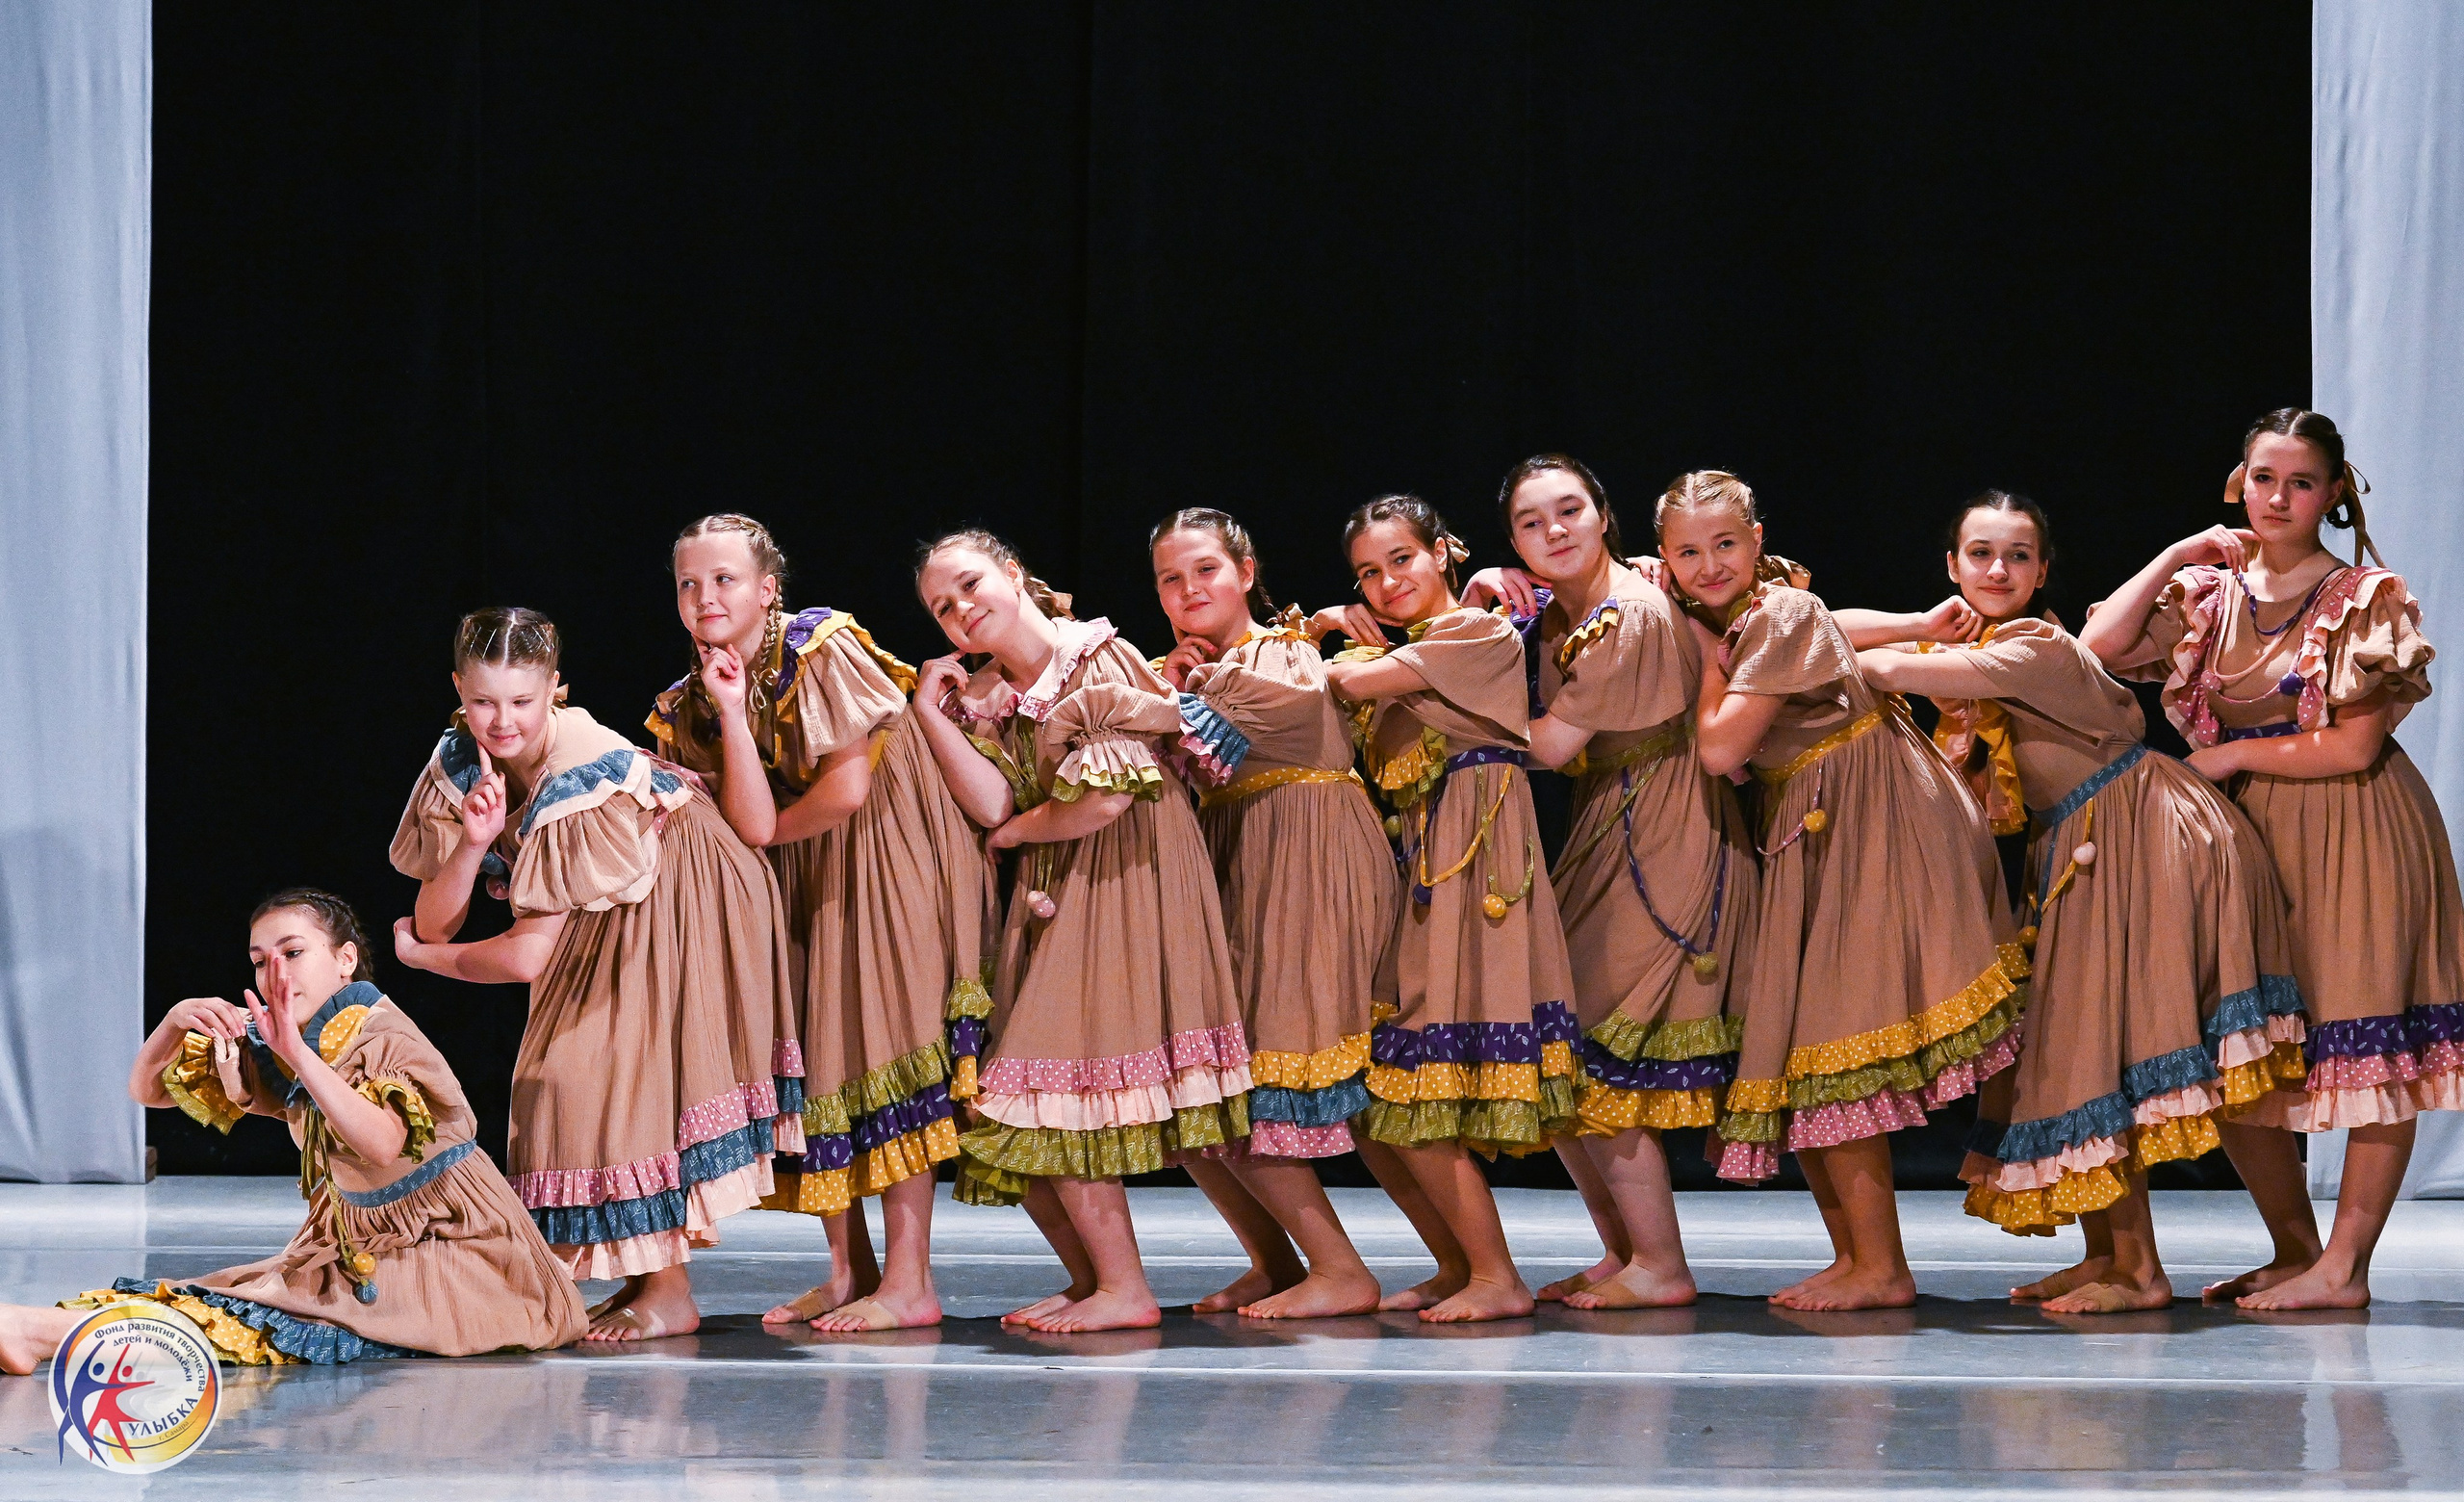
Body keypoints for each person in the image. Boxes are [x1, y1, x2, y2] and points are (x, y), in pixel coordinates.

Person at [1859, 490, 2302, 1312]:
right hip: (2086, 840)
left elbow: (1877, 666)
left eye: (2018, 556)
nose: (1999, 569)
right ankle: (2109, 1256)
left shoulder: (2034, 648)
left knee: (2110, 1041)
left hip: (2141, 836)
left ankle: (2141, 1270)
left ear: (2042, 573)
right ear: (1951, 567)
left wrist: (1764, 636)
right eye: (1981, 554)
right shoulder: (1990, 652)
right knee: (2082, 1042)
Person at [2081, 408, 2461, 1310]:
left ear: (2332, 494)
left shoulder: (2367, 599)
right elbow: (2095, 654)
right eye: (2262, 478)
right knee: (2247, 1049)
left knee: (2363, 1040)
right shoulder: (2211, 594)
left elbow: (2355, 747)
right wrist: (2178, 556)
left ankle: (2346, 1266)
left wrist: (2237, 754)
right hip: (2239, 838)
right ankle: (2295, 1248)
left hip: (2352, 831)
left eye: (2299, 482)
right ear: (2236, 483)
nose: (2278, 497)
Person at [1670, 470, 2027, 1310]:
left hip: (1874, 817)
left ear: (1757, 541)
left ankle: (1881, 1266)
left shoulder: (1771, 613)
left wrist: (1698, 661)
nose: (1710, 563)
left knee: (1844, 1033)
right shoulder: (1765, 611)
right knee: (1812, 1048)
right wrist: (1914, 622)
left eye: (1726, 543)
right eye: (1689, 551)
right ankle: (1857, 1257)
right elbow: (1833, 624)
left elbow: (1721, 750)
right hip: (1819, 819)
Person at [390, 608, 798, 1341]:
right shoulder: (458, 757)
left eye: (522, 701)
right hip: (614, 897)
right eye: (483, 701)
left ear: (557, 690)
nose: (502, 722)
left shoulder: (580, 772)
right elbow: (436, 915)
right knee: (581, 1075)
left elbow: (517, 956)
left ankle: (668, 1292)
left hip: (686, 880)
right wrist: (471, 846)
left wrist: (423, 963)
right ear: (458, 689)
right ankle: (653, 1283)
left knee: (598, 1073)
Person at [0, 891, 586, 1374]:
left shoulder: (382, 1037)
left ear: (346, 961)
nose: (273, 970)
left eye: (293, 951)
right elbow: (148, 1092)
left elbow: (382, 1143)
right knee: (238, 1294)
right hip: (358, 1244)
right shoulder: (301, 1039)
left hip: (454, 1252)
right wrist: (175, 1019)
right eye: (259, 959)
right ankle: (46, 1331)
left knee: (274, 1321)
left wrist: (297, 1056)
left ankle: (42, 1333)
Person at [652, 514, 993, 1333]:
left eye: (725, 579)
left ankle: (911, 1281)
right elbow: (739, 811)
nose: (705, 598)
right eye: (689, 584)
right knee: (823, 1061)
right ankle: (850, 1272)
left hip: (885, 854)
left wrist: (764, 833)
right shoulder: (705, 691)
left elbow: (841, 792)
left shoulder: (820, 643)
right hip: (809, 866)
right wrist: (734, 722)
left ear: (768, 588)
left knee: (890, 1043)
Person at [911, 530, 1251, 1334]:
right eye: (941, 607)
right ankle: (1096, 1278)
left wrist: (1023, 833)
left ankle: (1126, 1289)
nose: (961, 610)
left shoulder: (1094, 658)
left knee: (1045, 1089)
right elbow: (992, 806)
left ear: (1016, 573)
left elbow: (1104, 802)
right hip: (1060, 886)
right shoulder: (991, 694)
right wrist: (933, 716)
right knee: (1013, 1106)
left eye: (969, 585)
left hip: (1126, 878)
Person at [1458, 455, 1758, 1310]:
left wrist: (1439, 690)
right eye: (1529, 522)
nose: (1553, 531)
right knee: (1567, 1044)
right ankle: (1624, 1248)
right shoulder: (1566, 612)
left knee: (1599, 1052)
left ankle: (1660, 1262)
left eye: (1568, 511)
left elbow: (1550, 747)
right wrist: (1485, 598)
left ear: (1602, 515)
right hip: (1612, 817)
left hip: (1661, 829)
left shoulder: (1626, 614)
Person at [1308, 493, 1580, 1324]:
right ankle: (1460, 1263)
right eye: (1367, 572)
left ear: (1442, 554)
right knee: (1381, 1102)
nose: (1387, 582)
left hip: (1476, 866)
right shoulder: (1430, 642)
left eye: (1401, 559)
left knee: (1412, 1088)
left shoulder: (1474, 632)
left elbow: (1343, 679)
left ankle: (1496, 1276)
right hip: (1427, 865)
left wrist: (1310, 629)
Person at [1149, 507, 1396, 1319]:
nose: (1189, 590)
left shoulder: (1284, 652)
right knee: (1202, 1086)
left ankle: (1340, 1269)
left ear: (1247, 573)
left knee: (1254, 1076)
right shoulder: (1179, 670)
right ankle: (1276, 1260)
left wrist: (1181, 686)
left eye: (1206, 571)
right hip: (1235, 860)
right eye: (1170, 579)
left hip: (1308, 855)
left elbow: (1250, 716)